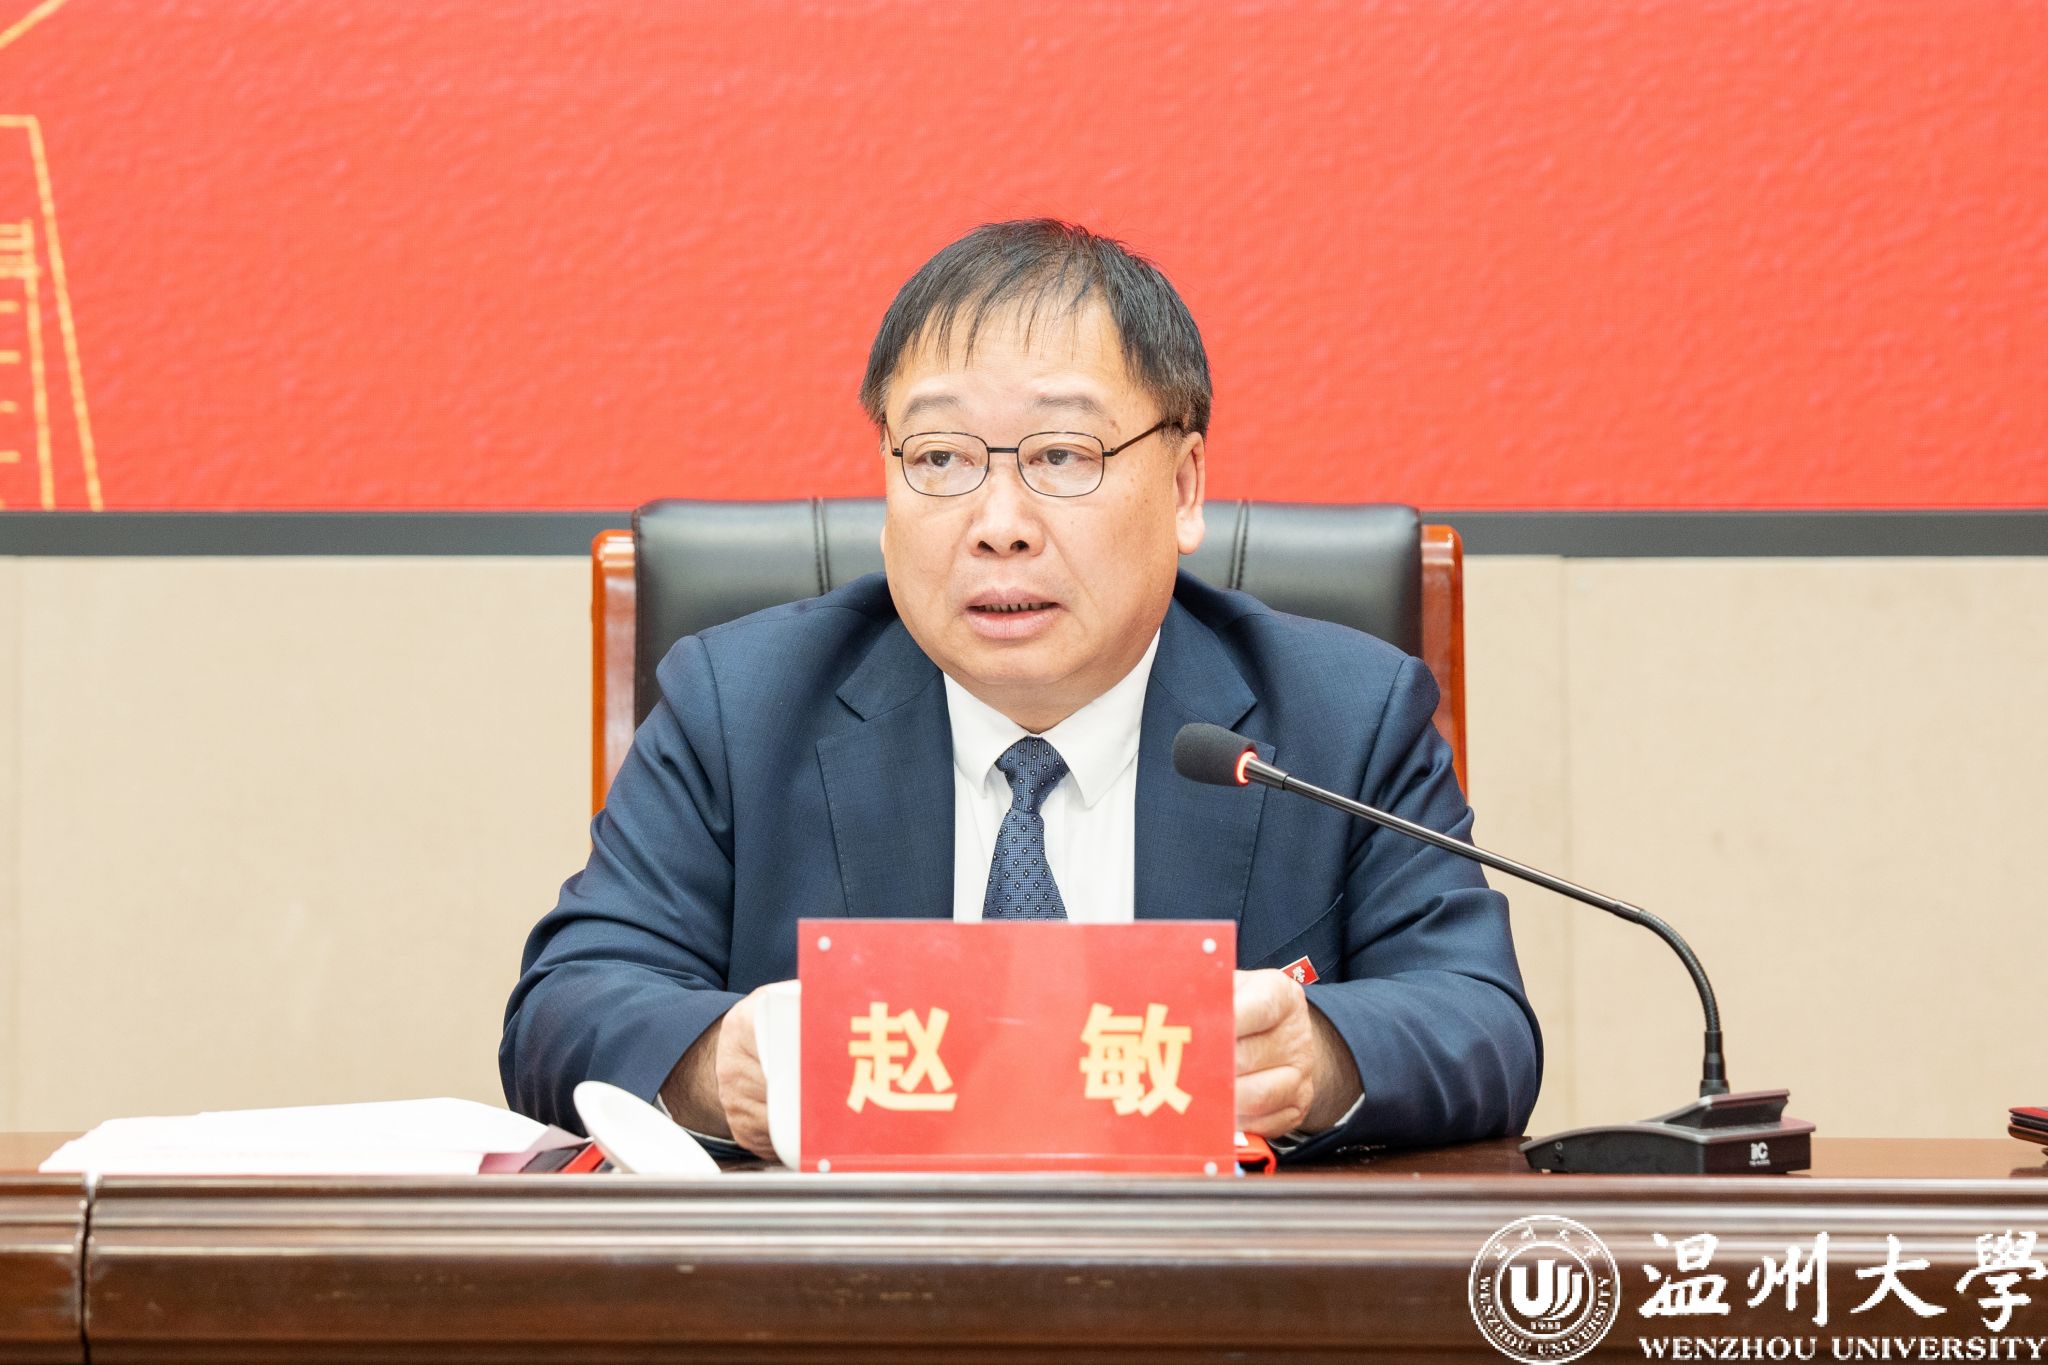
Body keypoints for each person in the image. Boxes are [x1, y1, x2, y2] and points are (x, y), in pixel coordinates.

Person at [500, 220, 1540, 1161]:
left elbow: (1480, 1022)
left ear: (1184, 487)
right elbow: (563, 1009)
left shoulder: (1341, 718)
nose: (998, 523)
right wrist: (722, 1064)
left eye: (1061, 455)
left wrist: (1315, 1058)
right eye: (940, 456)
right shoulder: (741, 707)